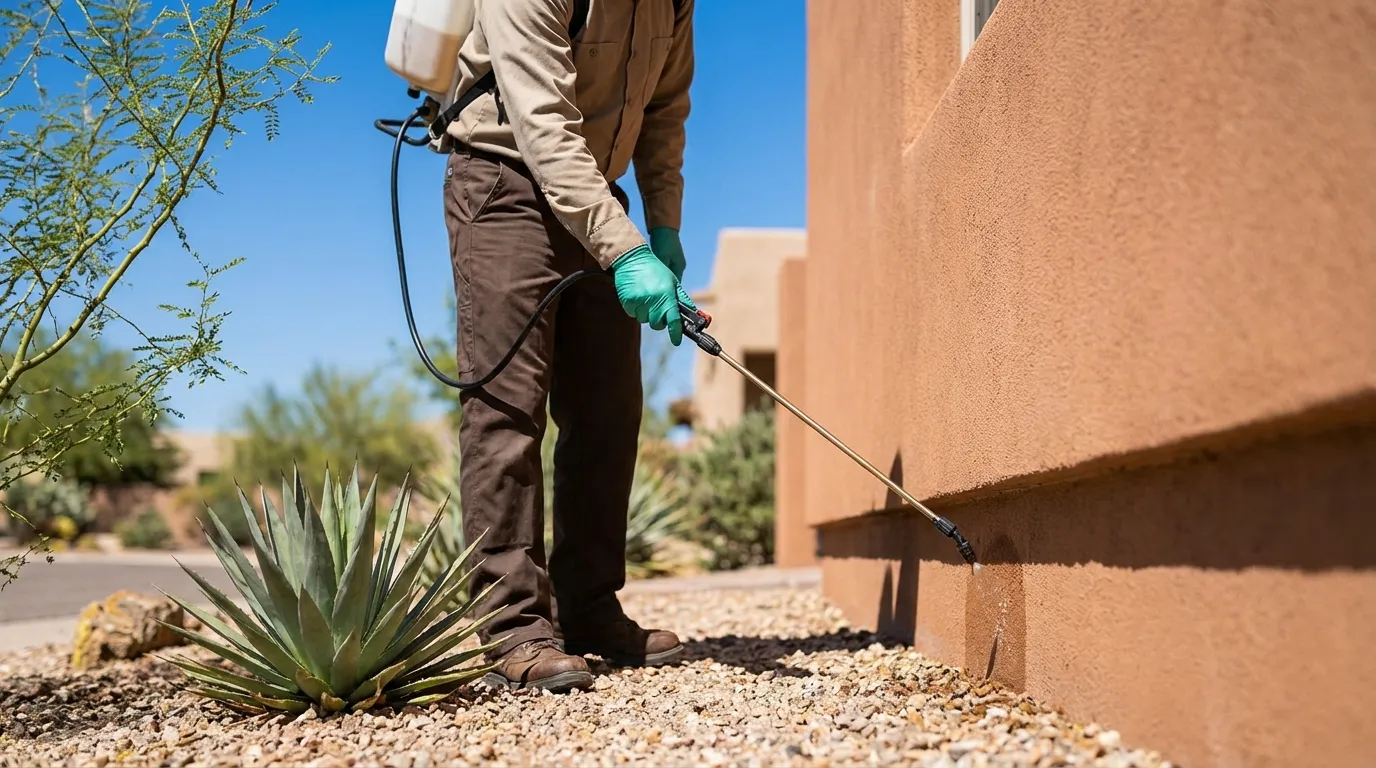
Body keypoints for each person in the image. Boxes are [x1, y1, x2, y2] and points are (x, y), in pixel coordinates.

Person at [440, 0, 696, 693]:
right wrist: (626, 248)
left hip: (593, 192)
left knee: (609, 408)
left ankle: (587, 608)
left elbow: (665, 111)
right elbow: (544, 126)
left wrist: (663, 230)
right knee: (507, 409)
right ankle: (514, 628)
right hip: (503, 179)